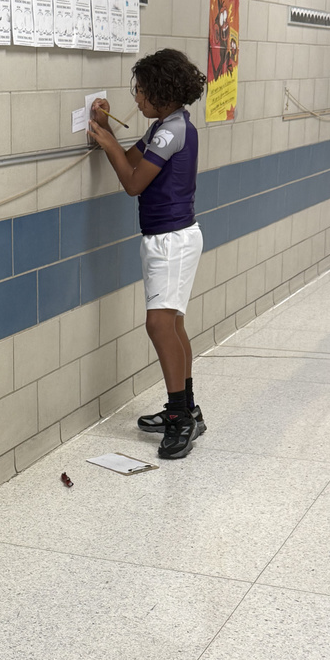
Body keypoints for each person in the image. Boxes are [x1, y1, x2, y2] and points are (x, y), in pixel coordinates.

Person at [89, 48, 207, 460]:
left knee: (159, 326)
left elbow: (133, 182)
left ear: (162, 91)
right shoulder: (166, 126)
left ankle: (179, 419)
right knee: (172, 324)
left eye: (140, 90)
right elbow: (134, 157)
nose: (136, 98)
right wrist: (107, 131)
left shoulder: (172, 131)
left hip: (171, 242)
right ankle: (187, 407)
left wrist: (105, 143)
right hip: (168, 239)